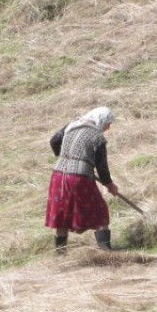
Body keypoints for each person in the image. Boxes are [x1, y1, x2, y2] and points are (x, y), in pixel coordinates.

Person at [45, 107, 120, 253]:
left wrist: (65, 157)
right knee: (100, 211)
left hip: (58, 176)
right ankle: (106, 251)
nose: (108, 127)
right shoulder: (97, 138)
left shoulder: (72, 125)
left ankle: (60, 253)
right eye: (108, 123)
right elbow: (102, 166)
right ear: (101, 119)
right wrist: (110, 185)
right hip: (78, 178)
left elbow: (54, 141)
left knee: (62, 213)